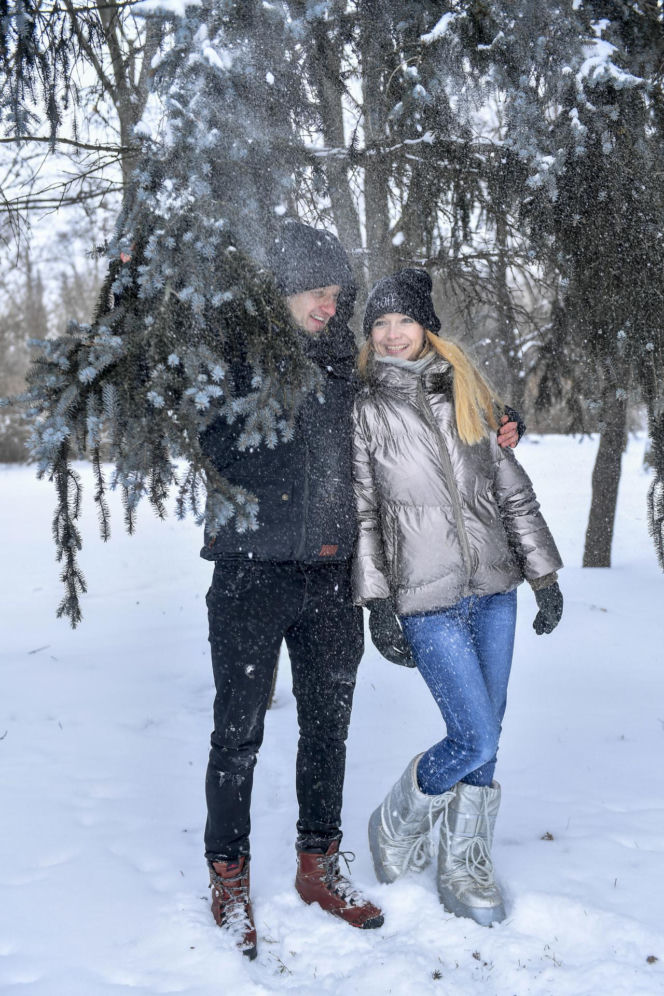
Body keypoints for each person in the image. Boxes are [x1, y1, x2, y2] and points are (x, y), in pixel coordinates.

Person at [200, 225, 523, 958]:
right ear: (281, 289)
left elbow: (429, 403)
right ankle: (229, 875)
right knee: (237, 734)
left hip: (331, 579)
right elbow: (212, 436)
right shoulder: (236, 358)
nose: (328, 304)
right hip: (250, 574)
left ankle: (318, 863)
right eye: (314, 291)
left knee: (327, 729)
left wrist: (502, 419)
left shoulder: (352, 370)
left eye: (335, 293)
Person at [351, 267, 563, 927]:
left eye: (404, 321)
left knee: (488, 737)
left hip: (496, 591)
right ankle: (397, 818)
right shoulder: (364, 409)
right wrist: (376, 602)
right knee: (473, 737)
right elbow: (363, 514)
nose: (392, 334)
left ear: (427, 329)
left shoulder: (469, 392)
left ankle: (465, 859)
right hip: (426, 599)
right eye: (381, 324)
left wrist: (544, 576)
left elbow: (511, 491)